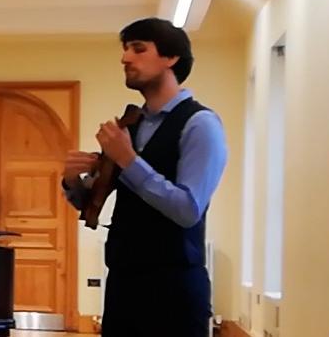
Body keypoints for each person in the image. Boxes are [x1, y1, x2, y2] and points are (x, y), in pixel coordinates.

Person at [62, 17, 229, 336]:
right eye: (125, 50)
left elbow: (187, 210)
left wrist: (130, 160)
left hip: (174, 289)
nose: (126, 58)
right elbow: (94, 202)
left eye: (138, 49)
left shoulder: (200, 124)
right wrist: (73, 182)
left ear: (171, 58)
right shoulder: (131, 124)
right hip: (124, 283)